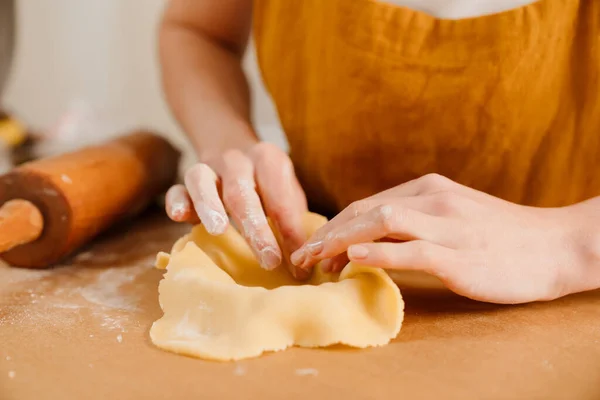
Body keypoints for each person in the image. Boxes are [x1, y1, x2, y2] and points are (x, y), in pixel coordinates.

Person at [160, 0, 600, 304]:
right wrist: (227, 138)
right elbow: (197, 31)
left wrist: (568, 244)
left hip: (568, 283)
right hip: (323, 249)